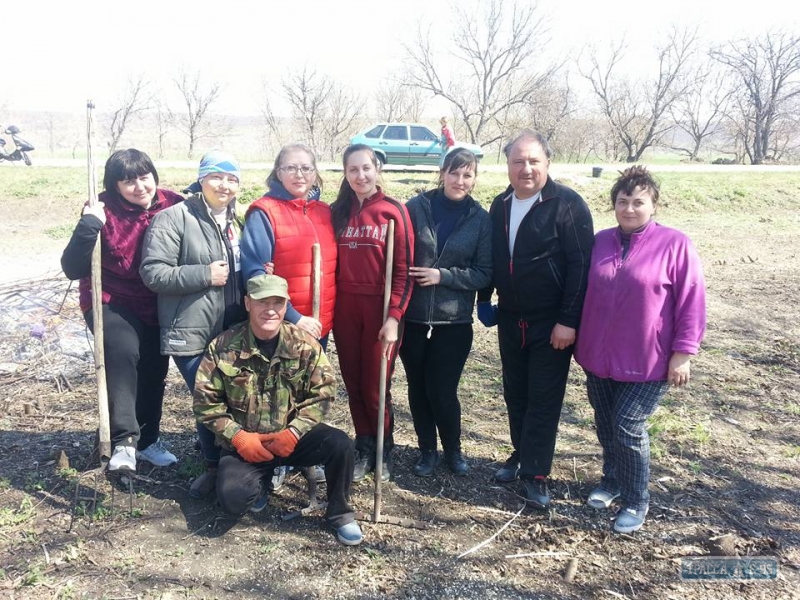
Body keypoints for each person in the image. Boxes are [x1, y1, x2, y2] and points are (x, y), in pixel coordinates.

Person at [574, 166, 706, 533]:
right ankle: (611, 481)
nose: (629, 208)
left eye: (638, 202)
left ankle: (636, 499)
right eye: (622, 201)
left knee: (628, 426)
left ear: (653, 205)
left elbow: (692, 300)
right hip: (598, 356)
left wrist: (684, 351)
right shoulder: (600, 241)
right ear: (613, 205)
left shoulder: (675, 244)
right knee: (605, 423)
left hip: (649, 358)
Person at [193, 274, 363, 546]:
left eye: (277, 302)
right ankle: (261, 484)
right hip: (247, 444)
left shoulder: (304, 345)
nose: (270, 309)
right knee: (233, 499)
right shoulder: (223, 347)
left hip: (292, 438)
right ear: (248, 303)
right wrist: (238, 437)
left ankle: (340, 513)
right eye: (262, 302)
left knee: (340, 444)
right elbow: (205, 403)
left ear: (286, 306)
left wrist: (295, 432)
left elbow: (324, 393)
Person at [476, 129, 594, 508]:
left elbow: (581, 266)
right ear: (508, 165)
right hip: (511, 317)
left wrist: (569, 320)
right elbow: (494, 257)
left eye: (533, 161)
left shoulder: (567, 205)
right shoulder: (501, 205)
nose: (525, 169)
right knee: (516, 392)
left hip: (551, 323)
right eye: (517, 161)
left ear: (547, 163)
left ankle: (537, 472)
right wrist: (485, 298)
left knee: (544, 396)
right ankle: (520, 453)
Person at [61, 149, 183, 471]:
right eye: (129, 181)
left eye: (145, 177)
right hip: (111, 299)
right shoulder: (101, 209)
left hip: (158, 300)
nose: (140, 187)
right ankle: (124, 442)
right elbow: (72, 267)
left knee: (156, 369)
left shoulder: (175, 204)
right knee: (124, 352)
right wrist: (90, 225)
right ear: (115, 186)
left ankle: (148, 439)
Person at [140, 150, 247, 498]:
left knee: (233, 399)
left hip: (233, 329)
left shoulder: (238, 221)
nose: (224, 185)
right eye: (217, 177)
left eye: (232, 179)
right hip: (193, 331)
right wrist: (204, 274)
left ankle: (237, 467)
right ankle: (214, 468)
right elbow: (153, 272)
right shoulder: (174, 218)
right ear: (201, 180)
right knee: (208, 400)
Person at [400, 148, 492, 477]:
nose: (460, 180)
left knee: (442, 389)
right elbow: (397, 256)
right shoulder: (415, 208)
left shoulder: (481, 220)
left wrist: (444, 276)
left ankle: (453, 448)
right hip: (412, 319)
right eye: (454, 173)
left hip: (453, 321)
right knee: (417, 386)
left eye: (467, 175)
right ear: (442, 173)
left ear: (474, 179)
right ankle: (427, 450)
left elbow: (484, 273)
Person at [330, 143, 414, 482]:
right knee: (352, 381)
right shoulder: (337, 211)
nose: (360, 175)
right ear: (346, 174)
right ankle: (363, 444)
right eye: (353, 170)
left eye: (366, 168)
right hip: (345, 309)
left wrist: (394, 317)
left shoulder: (393, 211)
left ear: (376, 169)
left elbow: (405, 272)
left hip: (381, 311)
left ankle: (383, 448)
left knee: (375, 385)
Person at [240, 143, 336, 348]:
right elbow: (256, 275)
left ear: (314, 173)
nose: (299, 174)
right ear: (278, 173)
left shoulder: (324, 212)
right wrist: (296, 318)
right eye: (291, 168)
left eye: (306, 168)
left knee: (314, 380)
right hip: (282, 326)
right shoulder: (264, 212)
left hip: (320, 325)